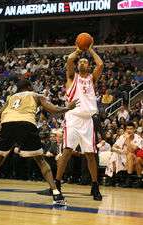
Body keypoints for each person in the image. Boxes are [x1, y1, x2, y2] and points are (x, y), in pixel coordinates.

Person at [0, 79, 78, 205]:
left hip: (7, 124)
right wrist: (68, 107)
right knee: (40, 160)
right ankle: (56, 194)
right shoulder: (36, 95)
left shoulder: (10, 98)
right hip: (26, 123)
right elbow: (54, 109)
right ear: (28, 87)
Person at [55, 41, 104, 201]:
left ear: (88, 66)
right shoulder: (71, 77)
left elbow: (101, 64)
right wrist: (78, 49)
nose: (83, 62)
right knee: (67, 150)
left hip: (88, 120)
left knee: (90, 154)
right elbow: (70, 59)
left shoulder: (92, 79)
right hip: (73, 118)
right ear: (78, 66)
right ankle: (57, 184)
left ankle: (95, 186)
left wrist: (90, 49)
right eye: (81, 61)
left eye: (86, 61)